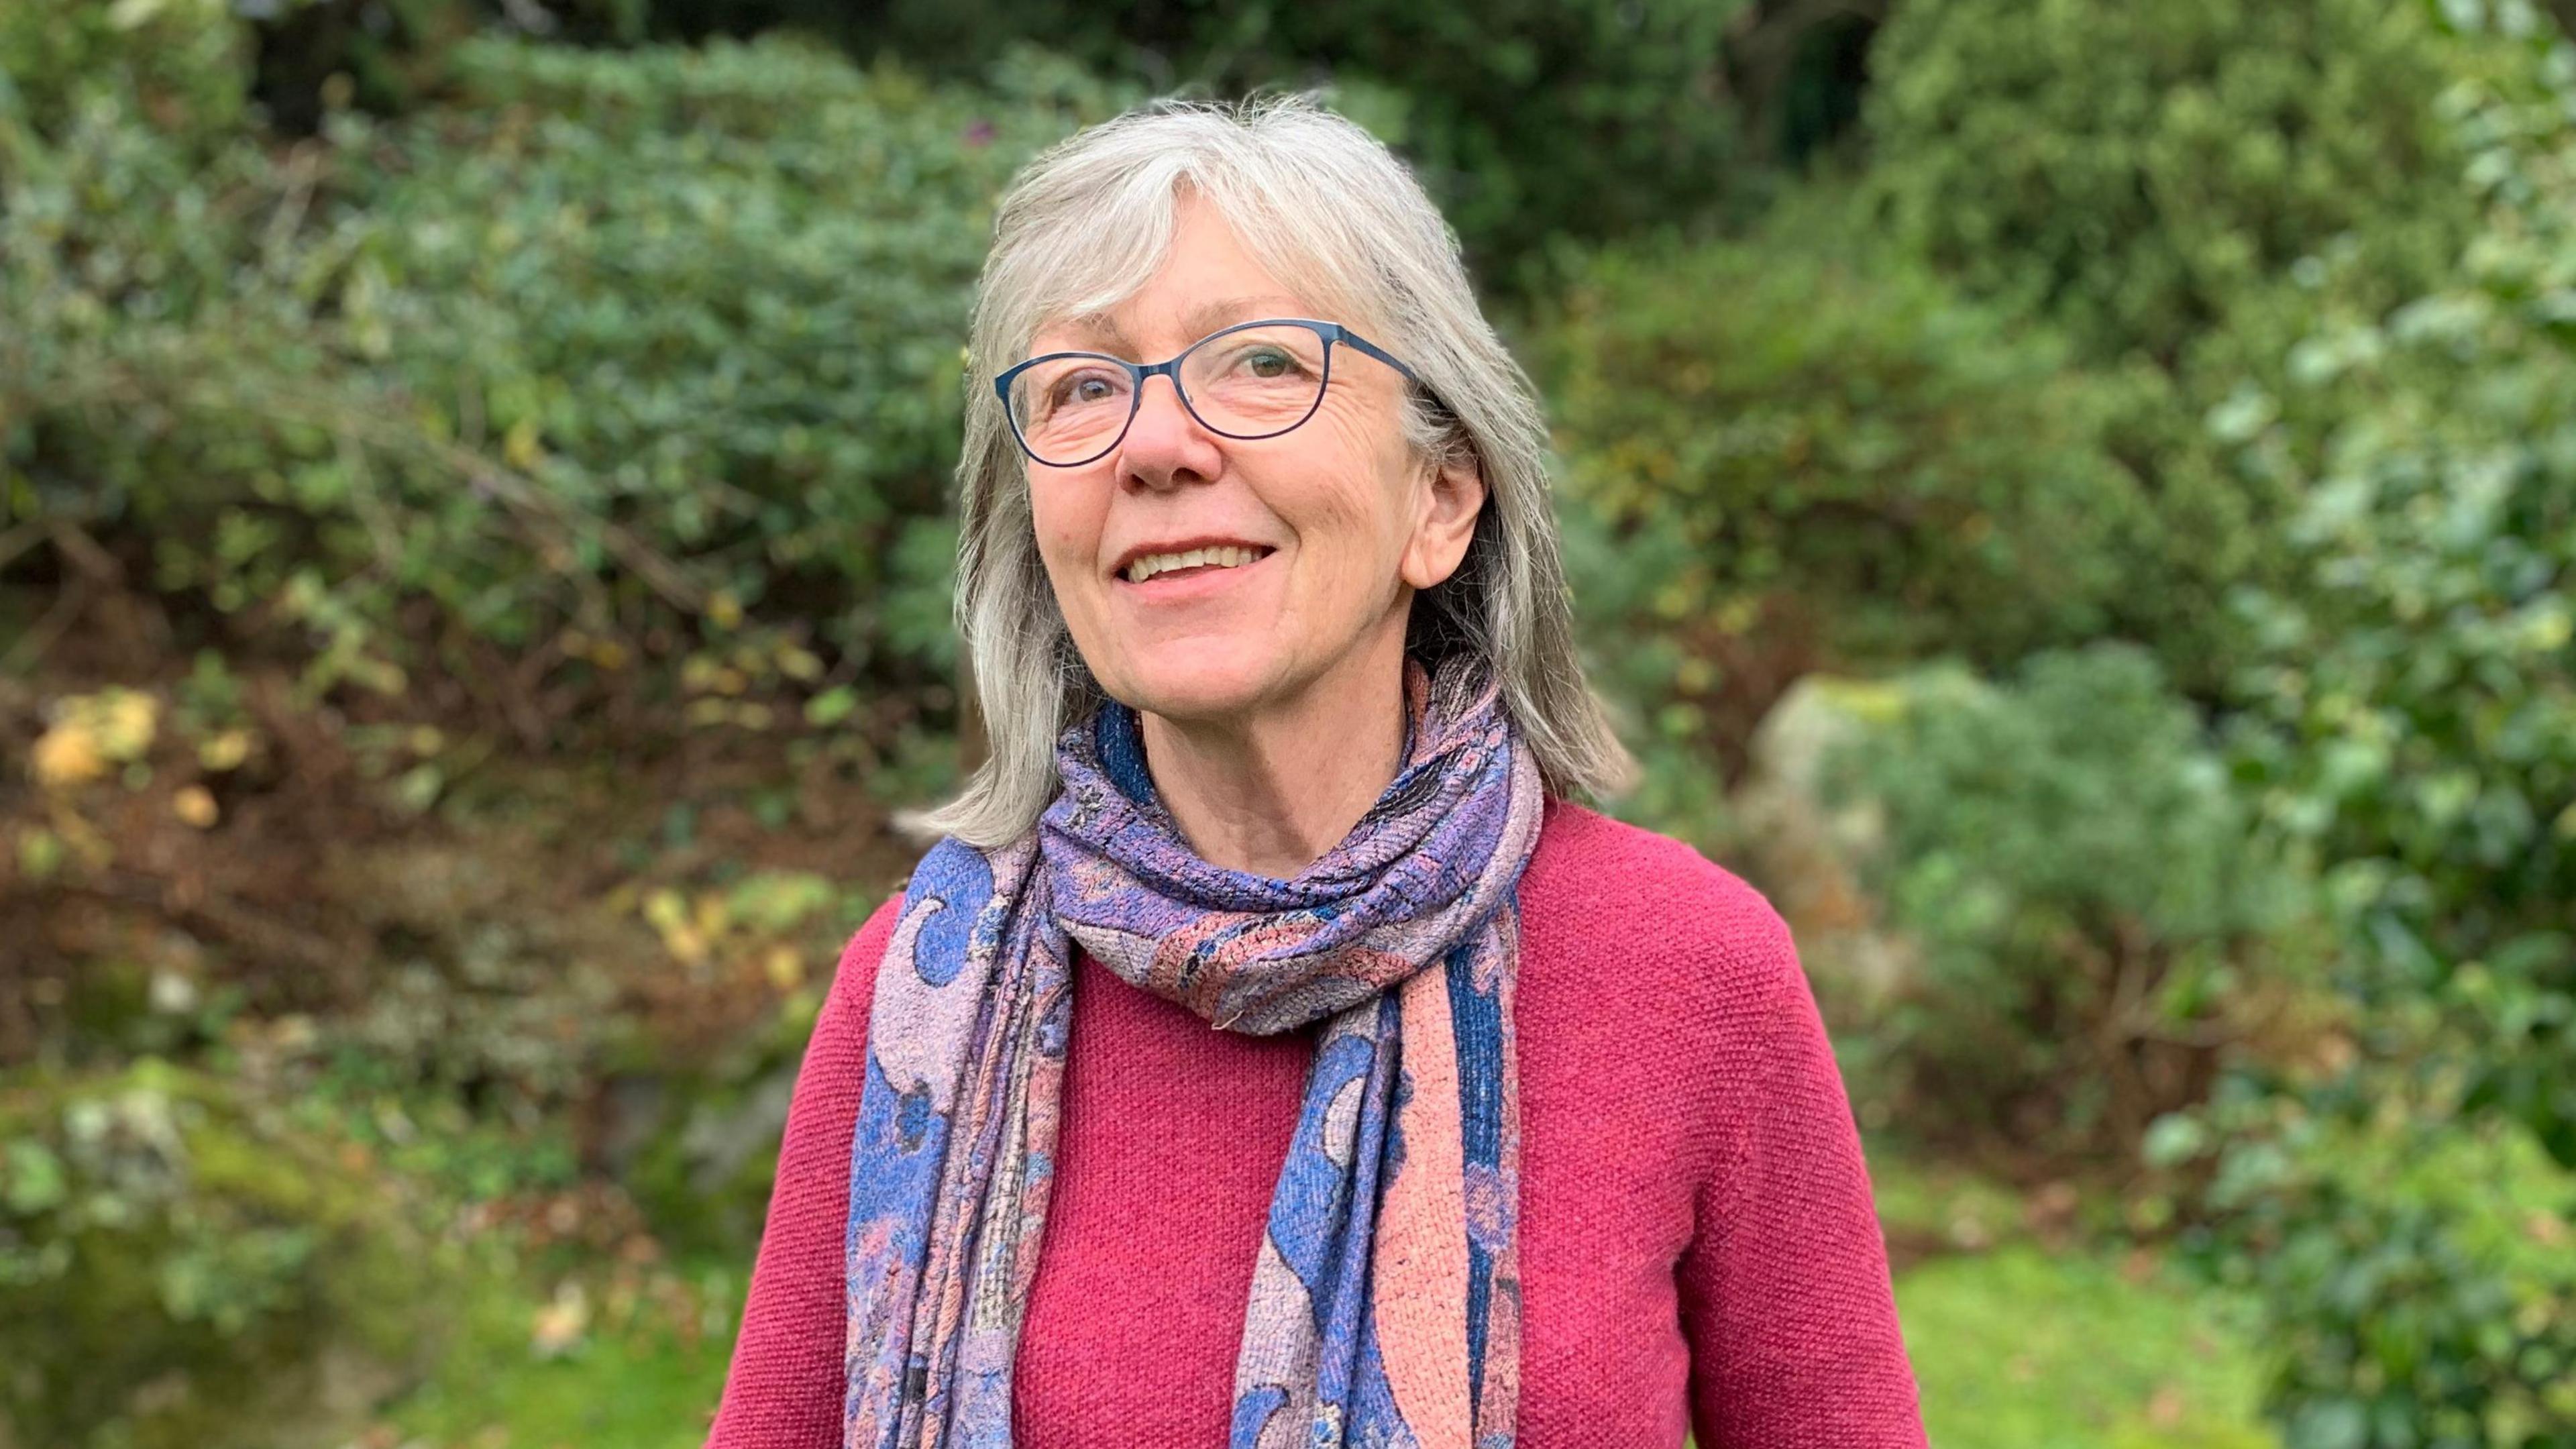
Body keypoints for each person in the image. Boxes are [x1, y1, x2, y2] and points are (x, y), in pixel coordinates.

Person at [706, 95, 1925, 1449]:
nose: (1156, 446)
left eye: (1263, 365)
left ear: (1440, 500)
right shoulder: (921, 990)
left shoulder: (1691, 973)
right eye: (1083, 388)